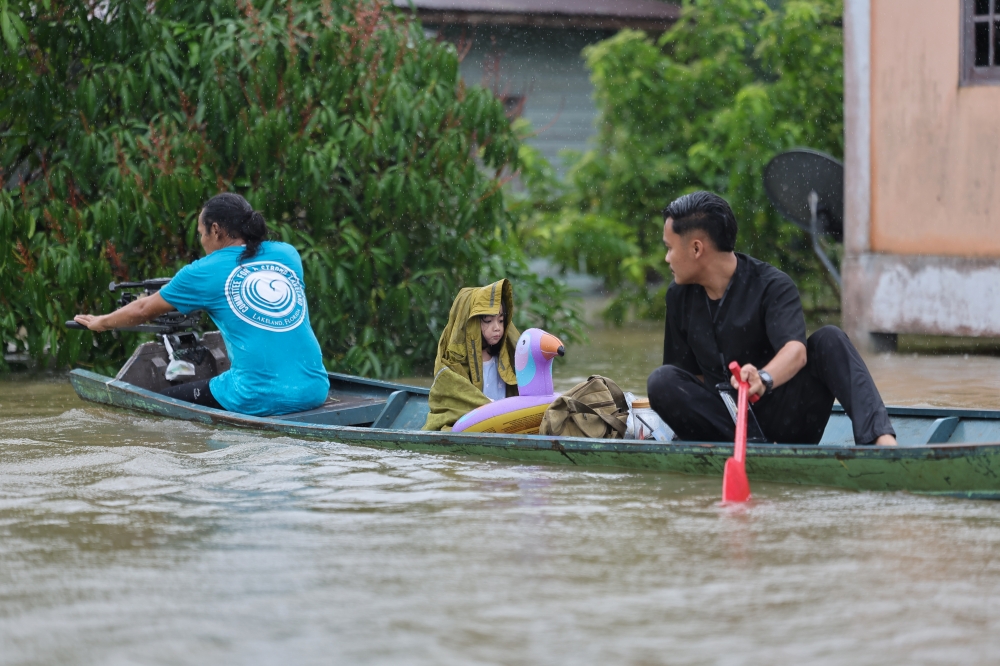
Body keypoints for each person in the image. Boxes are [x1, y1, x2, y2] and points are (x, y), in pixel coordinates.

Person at [646, 191, 897, 446]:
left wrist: (762, 379)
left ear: (696, 248)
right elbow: (688, 377)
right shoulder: (678, 296)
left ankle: (882, 442)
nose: (667, 258)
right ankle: (738, 446)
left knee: (830, 339)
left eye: (669, 248)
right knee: (662, 381)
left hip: (785, 420)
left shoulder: (771, 285)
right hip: (726, 430)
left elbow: (796, 351)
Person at [74, 193, 329, 417]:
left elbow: (142, 310)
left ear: (215, 230)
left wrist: (101, 322)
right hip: (314, 389)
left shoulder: (203, 271)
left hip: (255, 396)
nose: (202, 241)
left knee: (163, 402)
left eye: (201, 233)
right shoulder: (287, 254)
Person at [422, 279, 519, 430]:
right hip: (478, 423)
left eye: (501, 321)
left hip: (505, 422)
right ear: (472, 324)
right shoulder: (454, 363)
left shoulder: (506, 355)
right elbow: (454, 401)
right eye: (488, 321)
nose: (497, 328)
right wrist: (490, 407)